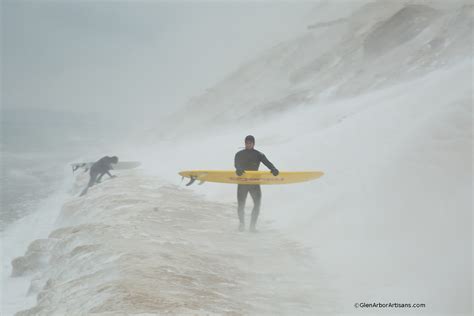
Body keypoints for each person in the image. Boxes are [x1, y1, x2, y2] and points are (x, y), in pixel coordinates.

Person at [234, 135, 279, 232]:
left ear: (253, 143)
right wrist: (238, 169)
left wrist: (273, 169)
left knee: (257, 204)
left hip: (254, 182)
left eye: (250, 143)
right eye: (246, 143)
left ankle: (252, 227)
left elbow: (267, 163)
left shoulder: (259, 154)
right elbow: (236, 164)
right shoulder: (239, 154)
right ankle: (241, 224)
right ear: (244, 143)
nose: (248, 144)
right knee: (241, 204)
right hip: (243, 182)